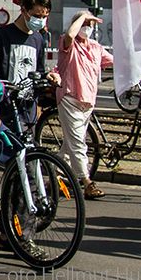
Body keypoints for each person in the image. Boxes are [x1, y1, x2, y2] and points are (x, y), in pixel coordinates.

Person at [54, 11, 112, 200]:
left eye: (90, 24)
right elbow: (71, 35)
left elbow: (114, 61)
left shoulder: (96, 47)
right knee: (78, 143)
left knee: (69, 143)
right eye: (84, 23)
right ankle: (86, 181)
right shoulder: (67, 43)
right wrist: (82, 17)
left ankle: (55, 174)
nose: (88, 26)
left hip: (87, 103)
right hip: (70, 98)